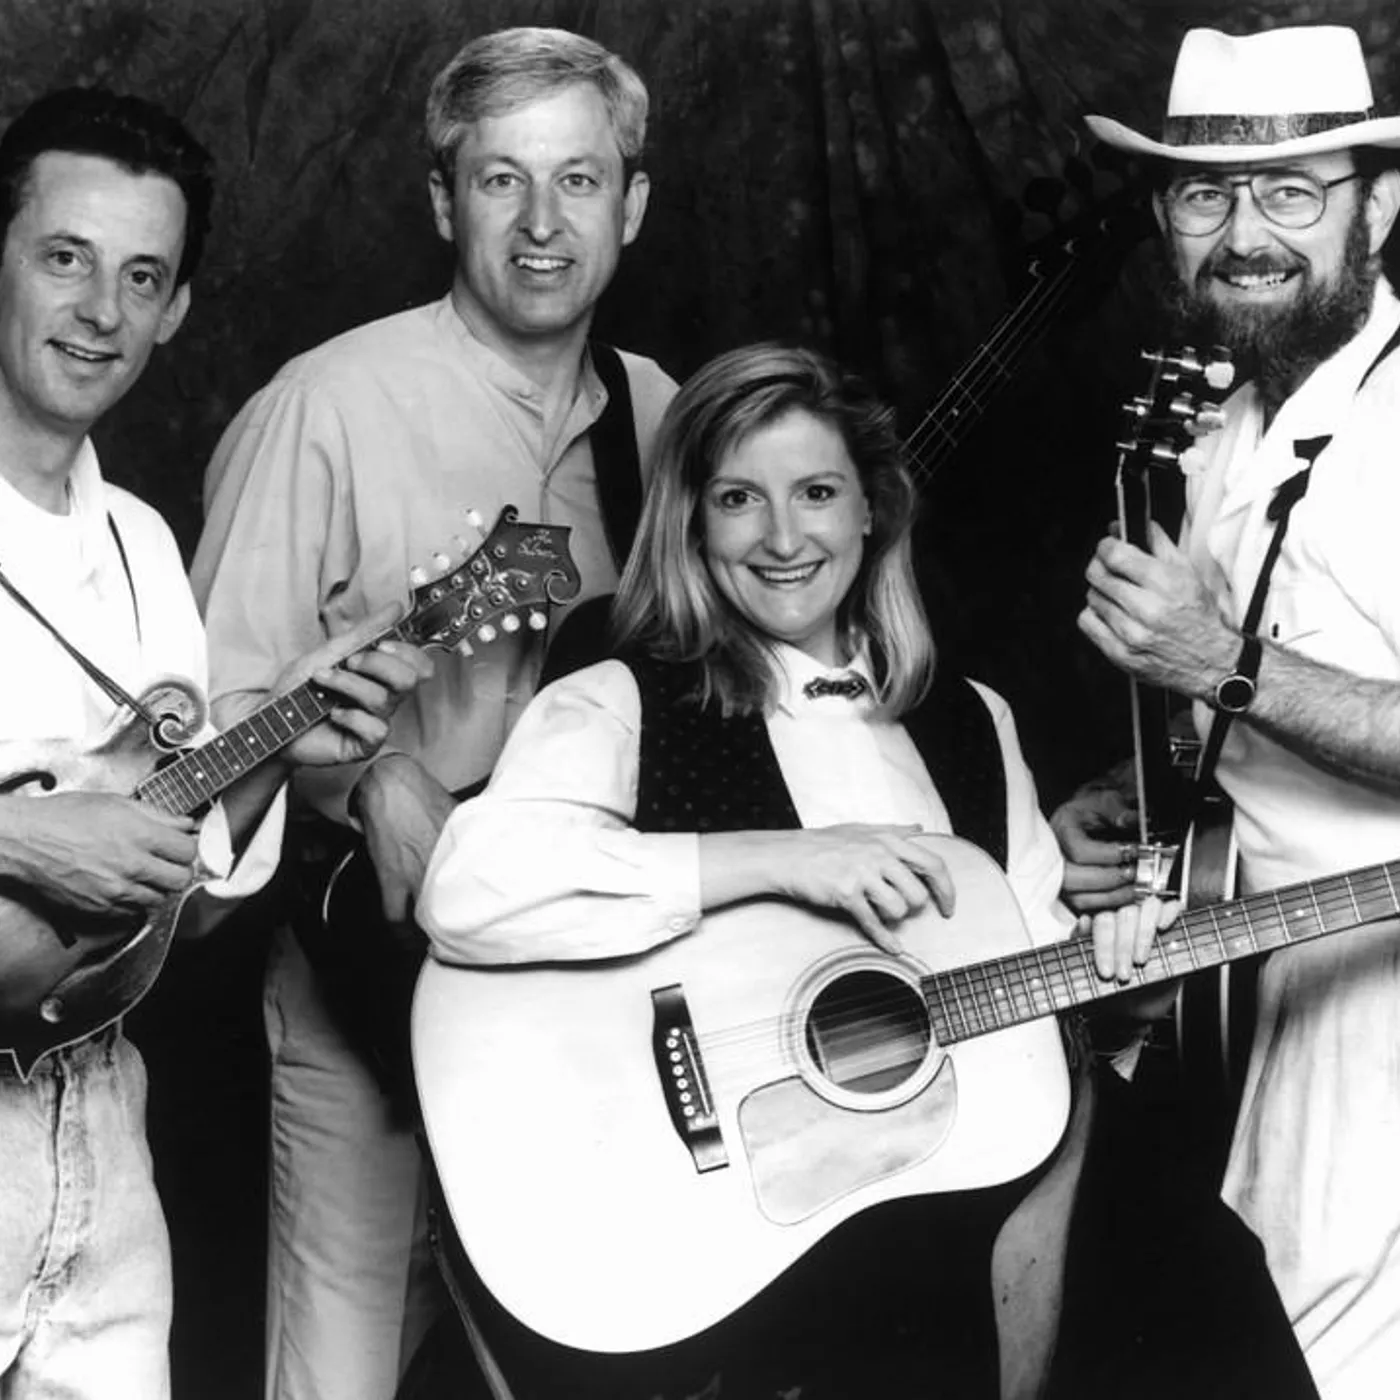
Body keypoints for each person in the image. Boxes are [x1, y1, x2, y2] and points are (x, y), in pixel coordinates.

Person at [415, 342, 1076, 1398]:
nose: (782, 538)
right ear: (691, 526)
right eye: (737, 499)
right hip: (710, 1252)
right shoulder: (619, 701)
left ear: (872, 511)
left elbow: (1037, 980)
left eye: (816, 492)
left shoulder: (971, 721)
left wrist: (1122, 973)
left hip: (924, 1237)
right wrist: (784, 860)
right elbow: (467, 889)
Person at [189, 26, 677, 1400]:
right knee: (341, 1374)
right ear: (443, 201)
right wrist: (367, 782)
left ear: (632, 205)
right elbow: (203, 720)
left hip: (590, 1000)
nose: (542, 223)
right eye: (501, 179)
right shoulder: (324, 406)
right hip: (370, 977)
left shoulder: (666, 419)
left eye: (579, 180)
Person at [0, 88, 427, 1400]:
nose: (100, 311)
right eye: (64, 257)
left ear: (178, 307)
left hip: (98, 1129)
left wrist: (273, 745)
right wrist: (21, 835)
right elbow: (60, 848)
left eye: (143, 277)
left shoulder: (142, 548)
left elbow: (169, 908)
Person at [1054, 25, 1400, 1400]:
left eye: (1293, 193)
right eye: (1206, 195)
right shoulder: (1231, 421)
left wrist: (1218, 661)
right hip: (1256, 981)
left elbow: (1234, 667)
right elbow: (1252, 714)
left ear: (1379, 206)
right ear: (1163, 219)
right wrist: (1131, 798)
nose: (1244, 234)